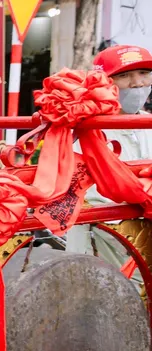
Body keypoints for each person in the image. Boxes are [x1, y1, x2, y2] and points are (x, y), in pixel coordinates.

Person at [65, 45, 152, 268]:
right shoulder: (85, 128)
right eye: (124, 75)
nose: (137, 83)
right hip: (102, 235)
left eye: (144, 73)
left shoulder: (147, 123)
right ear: (105, 82)